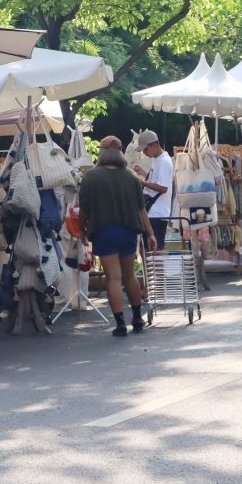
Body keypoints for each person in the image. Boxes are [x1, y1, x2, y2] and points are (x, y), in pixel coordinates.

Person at [76, 136, 158, 336]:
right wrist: (151, 234)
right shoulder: (131, 177)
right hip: (128, 232)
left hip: (104, 231)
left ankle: (120, 324)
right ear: (121, 152)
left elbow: (84, 210)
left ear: (102, 153)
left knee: (113, 278)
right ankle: (137, 318)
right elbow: (141, 210)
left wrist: (81, 231)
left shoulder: (91, 177)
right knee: (129, 276)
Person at [136, 129, 174, 248]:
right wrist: (143, 173)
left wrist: (142, 182)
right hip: (152, 212)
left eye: (145, 149)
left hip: (157, 213)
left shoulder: (164, 162)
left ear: (154, 145)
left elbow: (163, 188)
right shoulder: (158, 160)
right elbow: (156, 180)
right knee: (148, 249)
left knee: (153, 250)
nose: (144, 153)